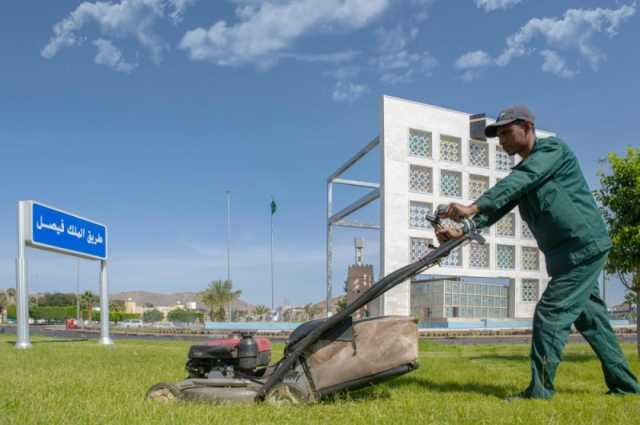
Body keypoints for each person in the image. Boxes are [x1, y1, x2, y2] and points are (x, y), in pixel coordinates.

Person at [435, 106, 640, 399]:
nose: (502, 141)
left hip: (583, 246)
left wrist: (472, 206)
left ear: (528, 128)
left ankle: (539, 391)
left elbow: (518, 182)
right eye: (499, 136)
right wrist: (461, 230)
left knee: (549, 314)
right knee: (593, 321)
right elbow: (499, 206)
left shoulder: (552, 152)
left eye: (506, 132)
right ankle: (626, 387)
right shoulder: (524, 172)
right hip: (564, 256)